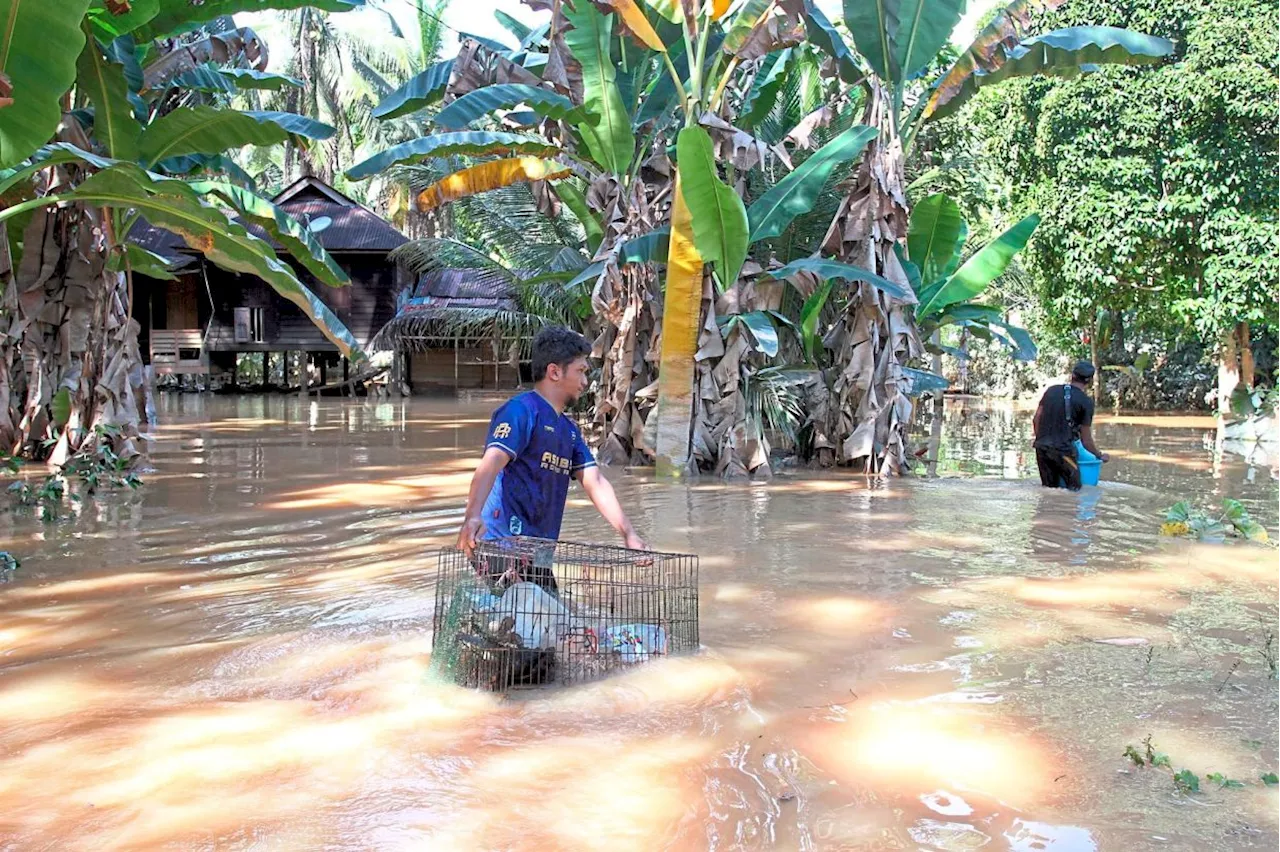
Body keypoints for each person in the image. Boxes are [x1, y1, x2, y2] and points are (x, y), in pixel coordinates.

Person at [456, 326, 647, 563]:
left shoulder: (569, 431)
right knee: (532, 600)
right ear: (554, 372)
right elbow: (491, 463)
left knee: (550, 601)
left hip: (538, 551)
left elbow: (596, 483)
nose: (585, 382)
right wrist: (472, 517)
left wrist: (629, 535)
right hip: (500, 547)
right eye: (580, 371)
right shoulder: (521, 412)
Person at [1032, 360, 1110, 491]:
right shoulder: (1085, 402)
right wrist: (1099, 455)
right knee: (1074, 490)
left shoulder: (1051, 391)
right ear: (1089, 381)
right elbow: (1086, 440)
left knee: (1048, 489)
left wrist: (1041, 439)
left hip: (1042, 448)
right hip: (1064, 453)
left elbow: (1036, 419)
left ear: (1072, 375)